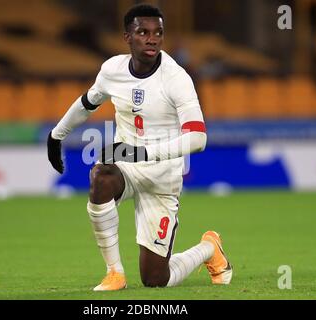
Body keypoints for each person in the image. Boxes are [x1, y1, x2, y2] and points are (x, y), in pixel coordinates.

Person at [47, 4, 232, 290]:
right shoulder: (112, 70)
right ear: (127, 37)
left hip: (163, 176)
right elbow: (88, 102)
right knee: (101, 175)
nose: (152, 39)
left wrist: (145, 152)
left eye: (158, 33)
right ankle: (115, 273)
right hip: (127, 164)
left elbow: (198, 139)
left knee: (156, 280)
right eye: (143, 32)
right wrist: (57, 135)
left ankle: (209, 248)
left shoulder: (177, 79)